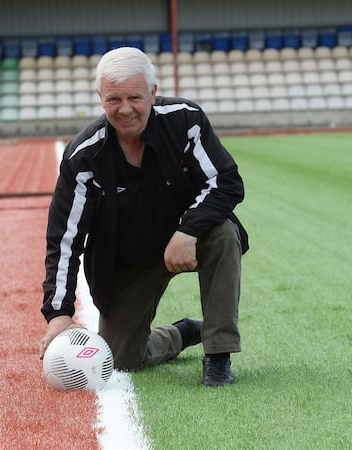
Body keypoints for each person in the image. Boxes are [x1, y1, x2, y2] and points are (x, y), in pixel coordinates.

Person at [38, 47, 248, 387]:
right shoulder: (84, 158)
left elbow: (225, 181)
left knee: (223, 232)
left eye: (134, 97)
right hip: (127, 261)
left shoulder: (185, 120)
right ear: (100, 97)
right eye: (113, 99)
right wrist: (59, 314)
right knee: (118, 359)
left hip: (186, 241)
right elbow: (64, 240)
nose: (124, 109)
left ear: (152, 92)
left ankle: (218, 355)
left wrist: (187, 231)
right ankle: (181, 334)